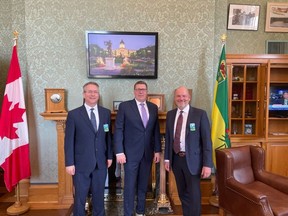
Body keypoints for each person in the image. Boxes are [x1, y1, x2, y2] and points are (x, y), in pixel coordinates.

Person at [64, 81, 113, 216]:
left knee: (99, 196)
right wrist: (69, 163)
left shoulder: (105, 113)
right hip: (80, 164)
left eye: (95, 92)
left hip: (100, 162)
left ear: (98, 94)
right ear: (84, 94)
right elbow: (68, 141)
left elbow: (107, 136)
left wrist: (109, 156)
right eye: (89, 91)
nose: (92, 94)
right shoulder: (74, 114)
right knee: (80, 197)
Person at [114, 80, 161, 216]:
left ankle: (140, 211)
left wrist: (157, 150)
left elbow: (155, 131)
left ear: (147, 92)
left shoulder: (153, 107)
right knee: (129, 186)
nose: (141, 91)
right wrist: (119, 151)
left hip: (147, 153)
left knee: (143, 185)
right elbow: (118, 129)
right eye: (138, 89)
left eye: (143, 89)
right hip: (129, 154)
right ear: (134, 91)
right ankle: (128, 213)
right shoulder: (125, 106)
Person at [164, 86, 213, 216]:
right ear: (175, 99)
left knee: (194, 195)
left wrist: (207, 164)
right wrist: (167, 159)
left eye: (184, 96)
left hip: (193, 161)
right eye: (178, 96)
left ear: (189, 97)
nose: (181, 99)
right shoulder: (170, 114)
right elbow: (169, 138)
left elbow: (207, 141)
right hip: (176, 160)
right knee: (182, 193)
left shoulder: (200, 114)